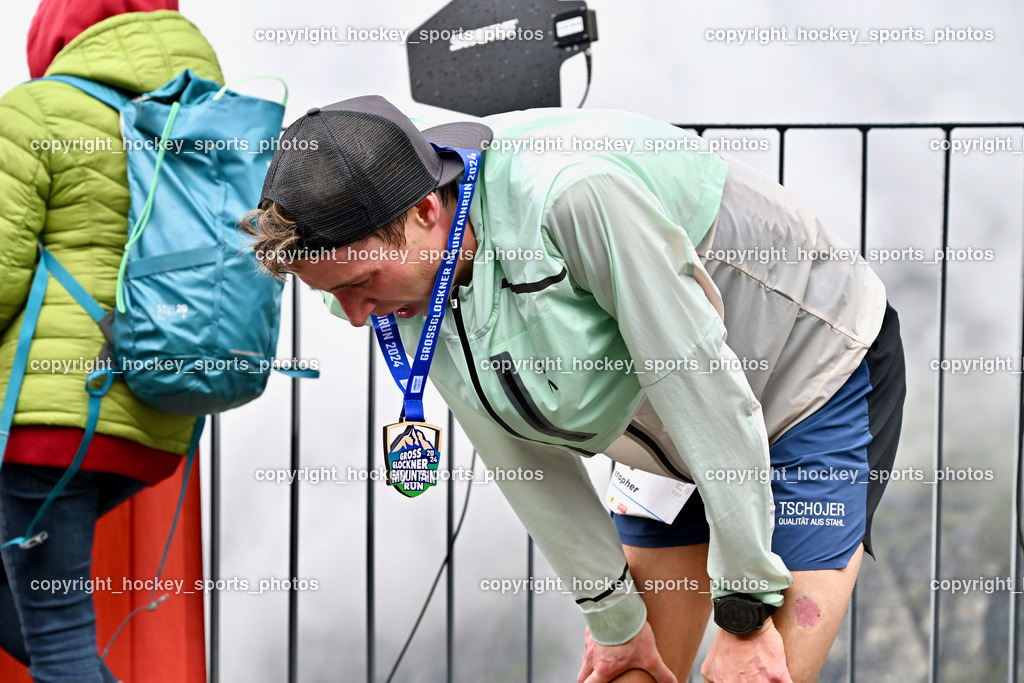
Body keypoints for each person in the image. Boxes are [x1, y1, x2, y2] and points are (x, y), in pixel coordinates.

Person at [242, 96, 905, 682]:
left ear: (423, 211)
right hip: (662, 431)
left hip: (805, 379)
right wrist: (615, 621)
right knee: (631, 669)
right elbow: (520, 458)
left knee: (757, 670)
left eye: (360, 286)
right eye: (333, 297)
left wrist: (743, 610)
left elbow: (697, 383)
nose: (357, 316)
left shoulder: (573, 196)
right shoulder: (401, 281)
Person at [0, 1, 222, 680]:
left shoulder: (36, 112)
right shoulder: (204, 127)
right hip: (158, 422)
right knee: (42, 614)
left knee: (59, 632)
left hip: (49, 423)